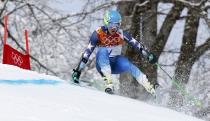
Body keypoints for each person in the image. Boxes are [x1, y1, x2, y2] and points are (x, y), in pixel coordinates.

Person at [72, 10, 157, 95]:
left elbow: (136, 45)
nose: (114, 28)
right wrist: (78, 70)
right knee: (103, 50)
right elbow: (87, 53)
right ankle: (109, 83)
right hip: (101, 64)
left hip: (115, 63)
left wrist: (148, 55)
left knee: (128, 64)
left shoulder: (121, 34)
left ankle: (149, 88)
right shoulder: (98, 33)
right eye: (111, 24)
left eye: (117, 25)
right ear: (106, 23)